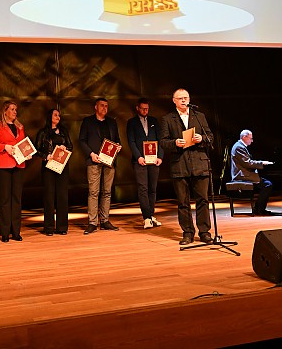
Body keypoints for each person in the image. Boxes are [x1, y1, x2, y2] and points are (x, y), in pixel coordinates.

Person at [160, 88, 214, 246]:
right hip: (180, 164)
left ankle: (204, 232)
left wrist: (201, 138)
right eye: (180, 98)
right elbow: (163, 142)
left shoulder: (199, 116)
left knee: (202, 200)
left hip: (199, 163)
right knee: (183, 202)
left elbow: (210, 137)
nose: (183, 100)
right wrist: (175, 143)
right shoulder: (167, 119)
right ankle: (188, 233)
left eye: (186, 98)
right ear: (174, 101)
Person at [0, 100, 31, 242]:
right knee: (5, 199)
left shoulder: (20, 127)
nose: (14, 112)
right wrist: (4, 147)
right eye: (12, 109)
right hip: (3, 165)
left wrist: (27, 153)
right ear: (5, 111)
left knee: (17, 199)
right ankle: (5, 232)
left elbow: (23, 144)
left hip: (18, 164)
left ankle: (16, 231)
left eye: (15, 109)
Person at [79, 97, 121, 235]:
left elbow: (117, 140)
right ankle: (92, 222)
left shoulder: (112, 122)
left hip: (109, 162)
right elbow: (82, 141)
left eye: (106, 106)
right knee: (93, 192)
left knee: (107, 192)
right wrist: (91, 154)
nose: (104, 108)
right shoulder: (88, 121)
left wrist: (118, 147)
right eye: (102, 105)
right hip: (94, 161)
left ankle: (105, 220)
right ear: (95, 107)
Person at [127, 97, 163, 229]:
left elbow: (161, 140)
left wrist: (160, 156)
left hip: (154, 160)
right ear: (137, 108)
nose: (145, 111)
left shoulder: (154, 121)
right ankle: (146, 217)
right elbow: (131, 141)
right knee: (143, 188)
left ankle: (151, 215)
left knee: (153, 189)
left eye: (147, 109)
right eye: (143, 109)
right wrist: (138, 157)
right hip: (140, 160)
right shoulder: (132, 122)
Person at [35, 108, 73, 236]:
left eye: (59, 115)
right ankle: (49, 227)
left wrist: (64, 148)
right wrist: (46, 156)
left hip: (62, 166)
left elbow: (71, 146)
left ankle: (62, 227)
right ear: (49, 116)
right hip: (48, 167)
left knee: (62, 196)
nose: (58, 117)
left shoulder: (63, 131)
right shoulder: (43, 132)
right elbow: (36, 150)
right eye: (55, 115)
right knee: (49, 197)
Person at [230, 129, 274, 215]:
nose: (252, 141)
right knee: (267, 184)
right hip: (241, 175)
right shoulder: (239, 147)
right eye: (251, 138)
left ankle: (258, 208)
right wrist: (262, 163)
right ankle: (259, 209)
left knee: (267, 183)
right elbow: (247, 163)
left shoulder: (240, 146)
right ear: (244, 137)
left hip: (244, 173)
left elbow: (247, 162)